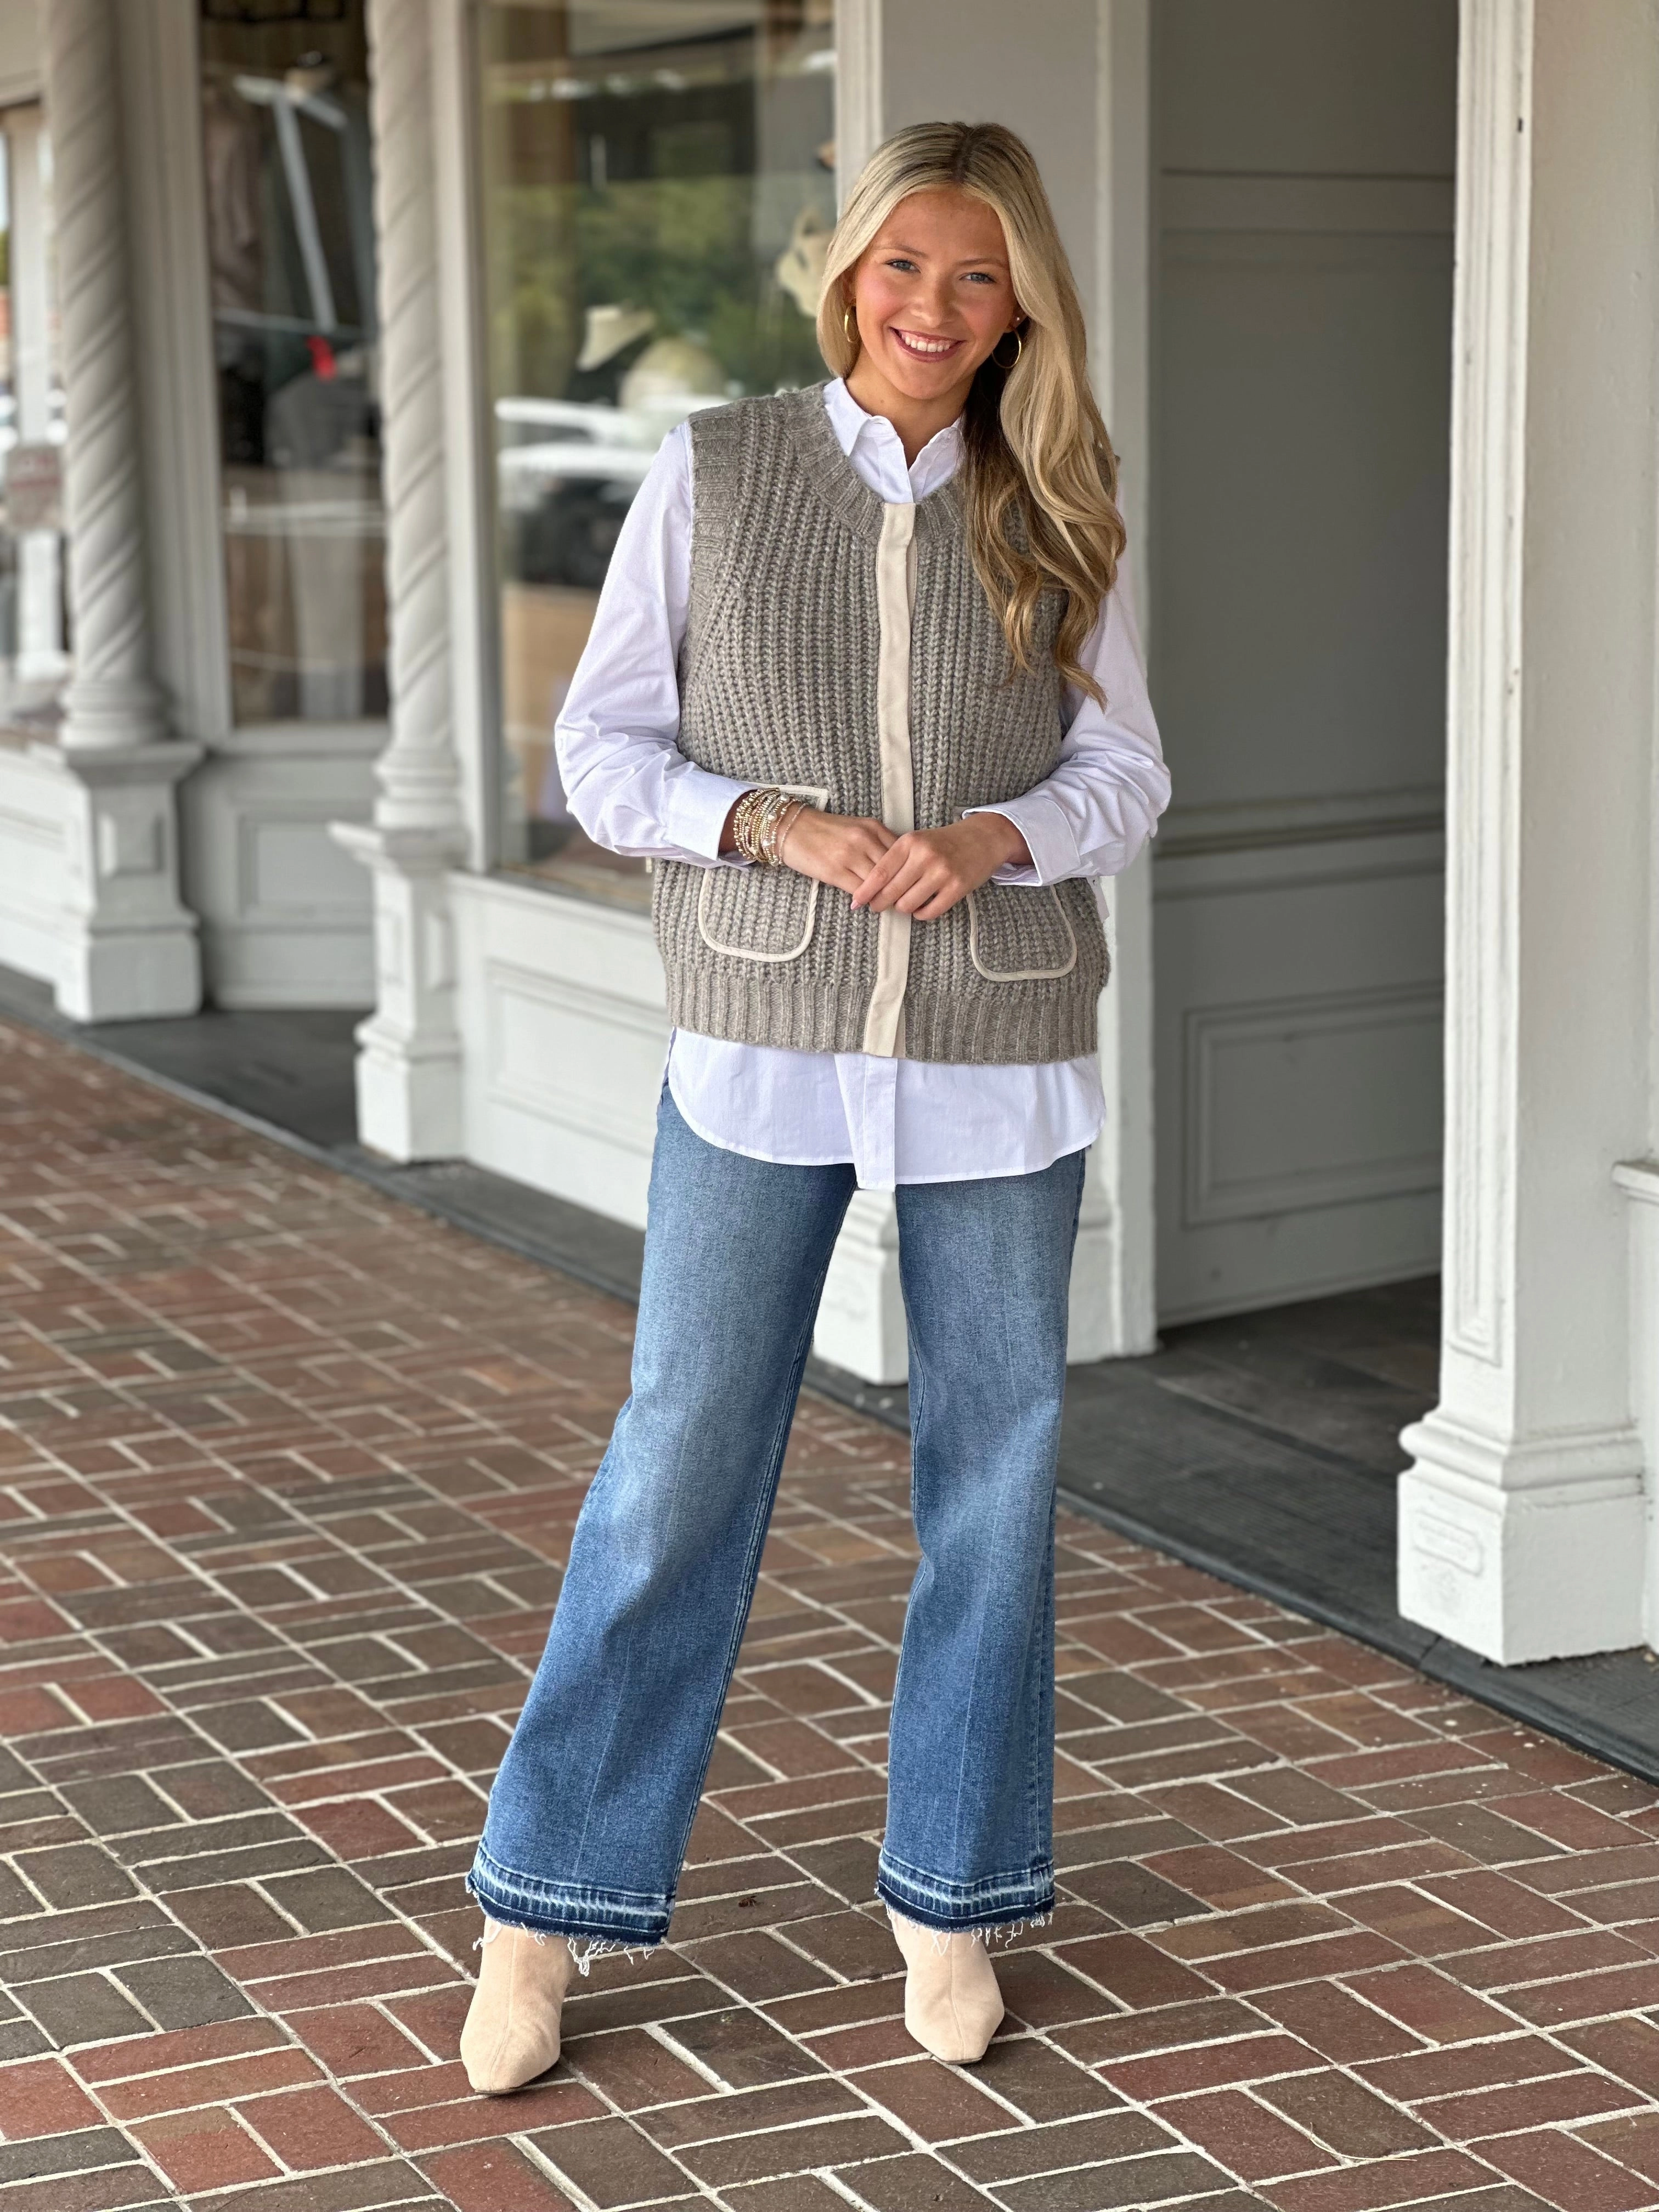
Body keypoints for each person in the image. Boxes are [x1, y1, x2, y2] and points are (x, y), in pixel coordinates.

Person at [461, 119, 1170, 2092]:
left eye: (974, 275)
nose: (933, 309)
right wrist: (767, 819)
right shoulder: (718, 468)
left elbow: (1128, 777)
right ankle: (546, 1910)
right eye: (900, 268)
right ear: (846, 273)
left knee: (996, 1481)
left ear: (1021, 293)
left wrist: (998, 831)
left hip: (1001, 1050)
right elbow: (599, 756)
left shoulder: (1063, 499)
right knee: (681, 1460)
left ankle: (956, 1899)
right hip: (760, 1037)